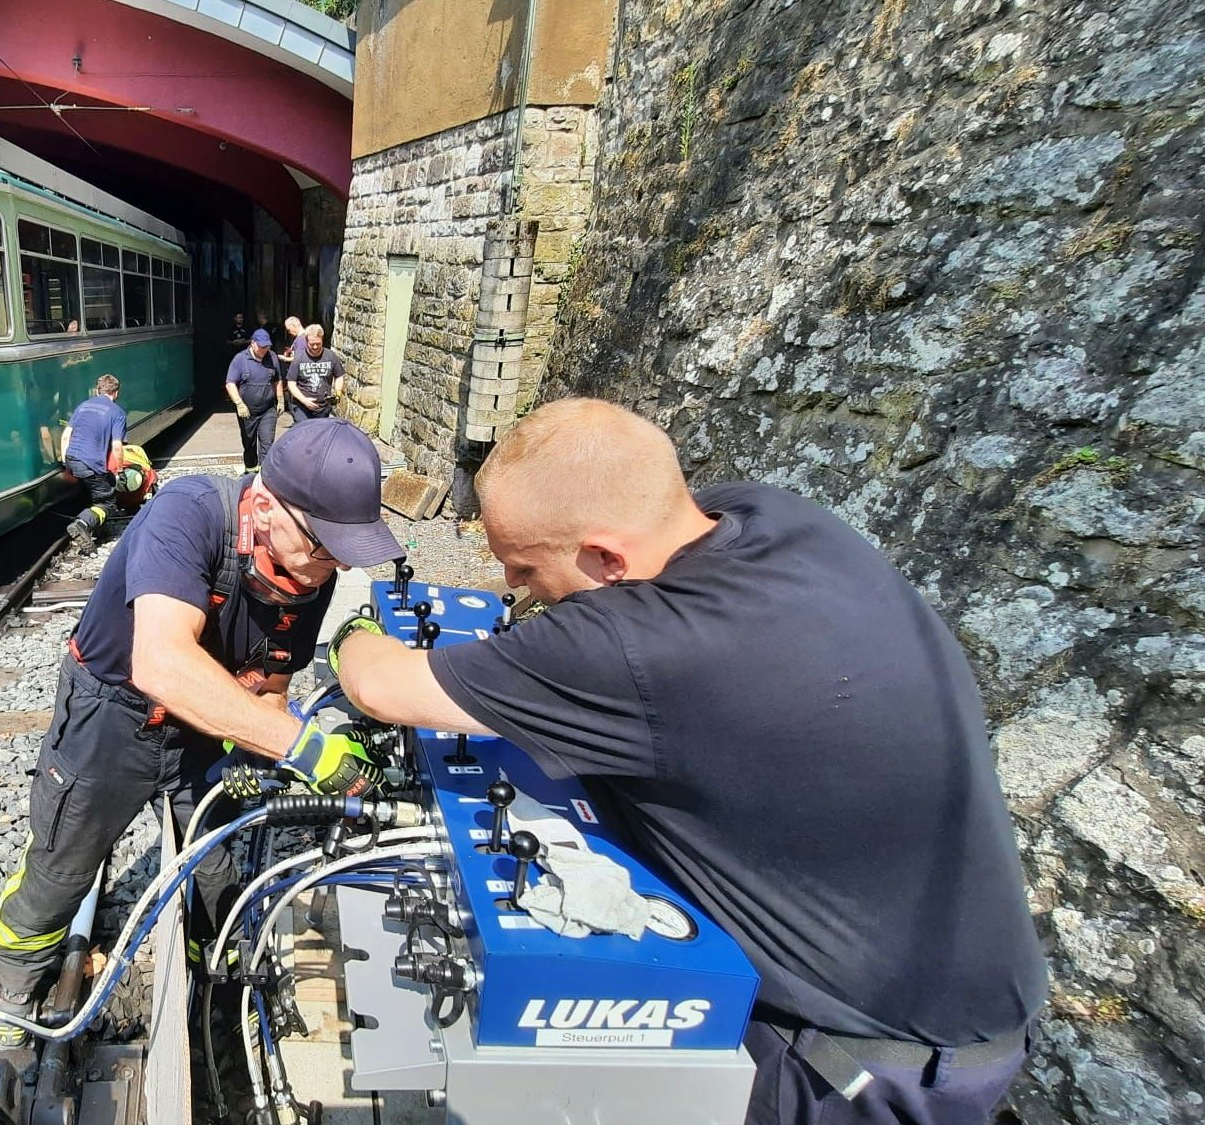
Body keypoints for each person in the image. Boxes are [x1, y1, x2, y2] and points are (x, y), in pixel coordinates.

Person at [327, 398, 1045, 1125]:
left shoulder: (641, 645)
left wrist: (355, 625)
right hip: (981, 998)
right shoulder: (771, 516)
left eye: (525, 567)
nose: (513, 588)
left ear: (608, 559)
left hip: (861, 1057)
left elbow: (380, 685)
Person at [0, 418, 403, 1048]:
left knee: (214, 856)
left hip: (209, 721)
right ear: (264, 507)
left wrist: (264, 759)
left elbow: (272, 682)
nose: (333, 566)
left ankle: (222, 972)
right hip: (113, 716)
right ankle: (16, 990)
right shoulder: (186, 515)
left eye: (345, 552)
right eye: (324, 546)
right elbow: (159, 663)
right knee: (63, 866)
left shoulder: (311, 572)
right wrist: (306, 747)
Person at [60, 374, 128, 551]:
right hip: (90, 463)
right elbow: (116, 445)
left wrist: (65, 462)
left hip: (72, 459)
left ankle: (98, 528)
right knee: (107, 502)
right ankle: (82, 524)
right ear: (116, 392)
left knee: (91, 493)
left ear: (97, 390)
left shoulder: (82, 406)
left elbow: (66, 435)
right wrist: (119, 471)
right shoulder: (117, 412)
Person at [224, 329, 282, 473]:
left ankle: (265, 475)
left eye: (267, 346)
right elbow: (230, 383)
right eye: (262, 346)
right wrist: (239, 403)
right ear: (253, 343)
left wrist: (280, 400)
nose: (265, 350)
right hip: (247, 411)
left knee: (267, 443)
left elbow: (277, 380)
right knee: (249, 443)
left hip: (268, 409)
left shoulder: (272, 357)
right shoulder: (240, 359)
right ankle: (250, 471)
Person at [283, 324, 345, 423]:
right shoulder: (299, 358)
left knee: (320, 437)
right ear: (306, 341)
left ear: (322, 340)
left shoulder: (331, 356)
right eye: (312, 344)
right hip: (302, 408)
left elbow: (339, 376)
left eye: (318, 343)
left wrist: (338, 393)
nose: (315, 347)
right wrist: (304, 400)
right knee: (305, 435)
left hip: (323, 408)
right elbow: (291, 383)